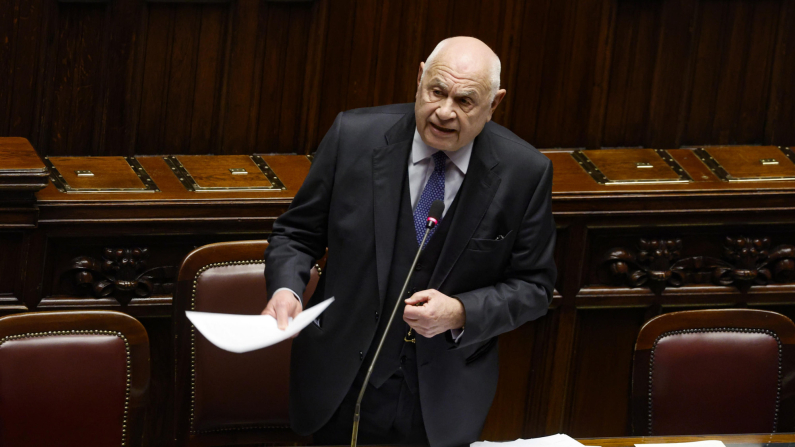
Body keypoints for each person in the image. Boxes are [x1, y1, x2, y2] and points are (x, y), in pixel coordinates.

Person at [262, 36, 556, 447]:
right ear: (419, 79)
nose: (444, 112)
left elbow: (535, 287)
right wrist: (286, 287)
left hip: (442, 399)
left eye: (465, 101)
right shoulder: (355, 137)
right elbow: (297, 233)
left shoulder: (524, 173)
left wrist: (459, 311)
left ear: (494, 104)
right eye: (436, 91)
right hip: (342, 383)